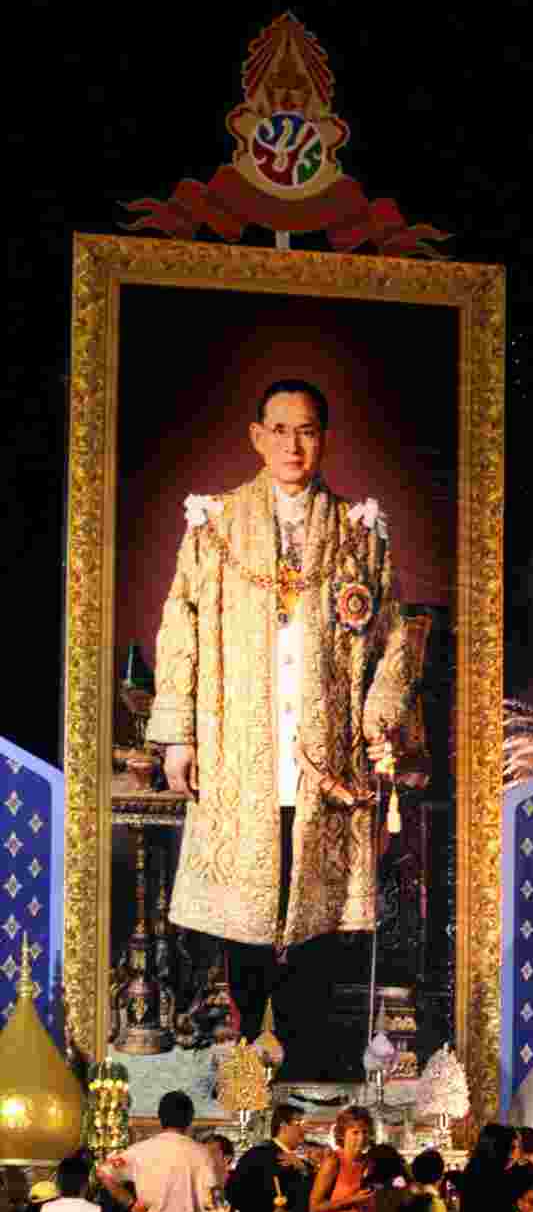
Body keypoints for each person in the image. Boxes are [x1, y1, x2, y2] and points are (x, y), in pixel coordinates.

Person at [144, 379, 413, 1072]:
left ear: (324, 438)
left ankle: (307, 1073)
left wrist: (382, 723)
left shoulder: (359, 529)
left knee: (320, 919)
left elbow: (394, 639)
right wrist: (179, 735)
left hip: (330, 756)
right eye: (281, 429)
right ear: (257, 435)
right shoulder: (215, 523)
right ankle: (245, 1077)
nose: (294, 445)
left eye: (309, 430)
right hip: (242, 750)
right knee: (247, 922)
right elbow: (181, 628)